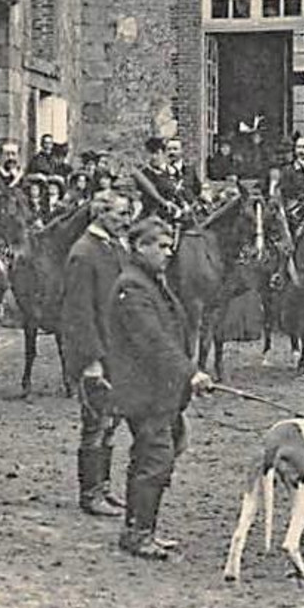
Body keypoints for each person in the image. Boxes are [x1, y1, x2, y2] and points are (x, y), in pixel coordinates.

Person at [105, 217, 213, 559]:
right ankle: (139, 534)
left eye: (170, 246)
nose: (169, 253)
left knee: (155, 455)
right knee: (155, 460)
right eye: (162, 247)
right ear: (140, 247)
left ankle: (138, 528)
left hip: (161, 392)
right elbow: (153, 340)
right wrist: (190, 373)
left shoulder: (152, 281)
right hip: (145, 393)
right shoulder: (133, 287)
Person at [61, 190, 134, 518]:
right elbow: (78, 314)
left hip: (114, 350)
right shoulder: (84, 253)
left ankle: (103, 487)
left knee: (110, 422)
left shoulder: (113, 247)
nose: (126, 220)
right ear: (100, 213)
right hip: (96, 354)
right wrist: (90, 361)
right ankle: (90, 493)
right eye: (120, 214)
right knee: (95, 424)